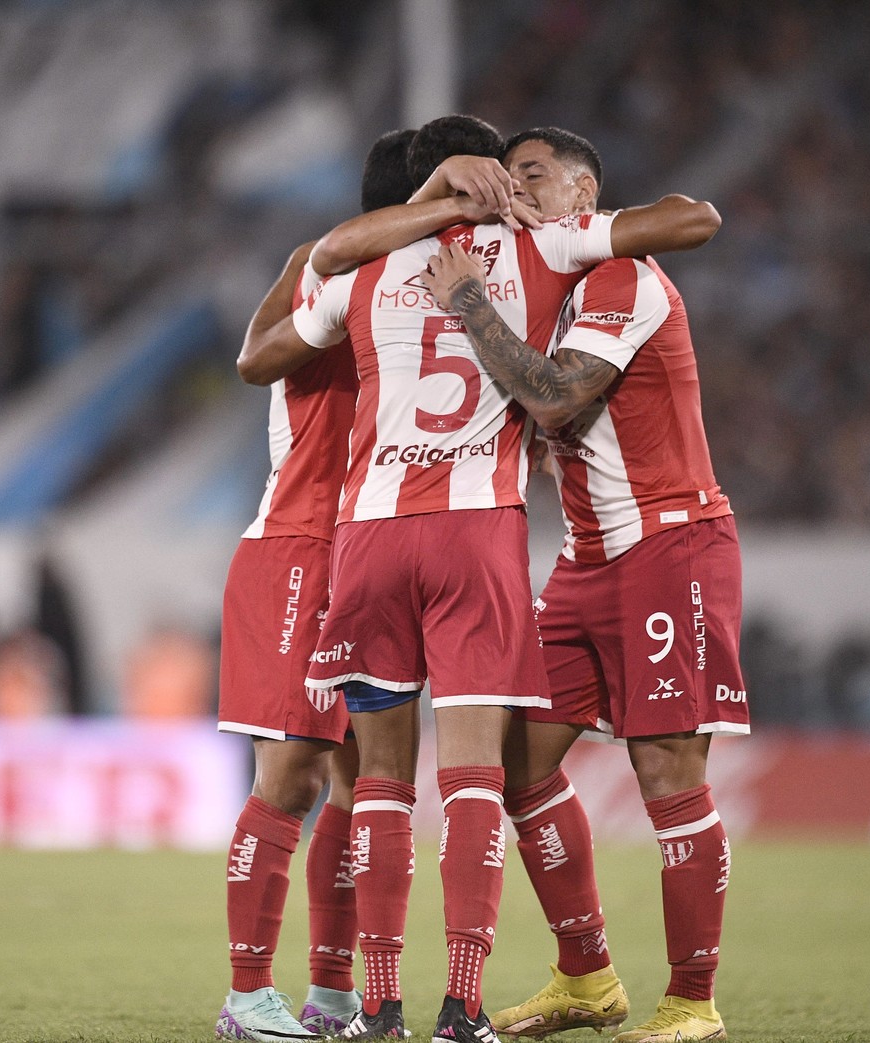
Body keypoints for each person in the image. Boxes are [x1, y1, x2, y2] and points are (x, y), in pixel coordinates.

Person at [240, 114, 697, 1043]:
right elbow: (688, 220)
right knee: (475, 778)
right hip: (475, 534)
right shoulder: (541, 243)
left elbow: (296, 297)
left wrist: (425, 205)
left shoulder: (359, 263)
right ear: (488, 176)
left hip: (366, 534)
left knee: (373, 783)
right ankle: (460, 1006)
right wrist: (533, 209)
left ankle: (372, 1005)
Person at [418, 127, 743, 1043]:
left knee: (667, 771)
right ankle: (586, 977)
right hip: (587, 559)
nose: (512, 189)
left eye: (530, 174)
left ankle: (692, 1001)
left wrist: (471, 308)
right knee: (516, 764)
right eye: (503, 176)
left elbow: (556, 398)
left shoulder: (621, 277)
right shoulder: (546, 293)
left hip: (669, 545)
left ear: (581, 195)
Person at [218, 127, 507, 1043]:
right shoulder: (334, 268)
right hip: (303, 542)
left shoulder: (441, 282)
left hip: (372, 548)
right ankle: (244, 995)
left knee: (355, 784)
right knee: (294, 770)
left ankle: (334, 994)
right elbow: (256, 353)